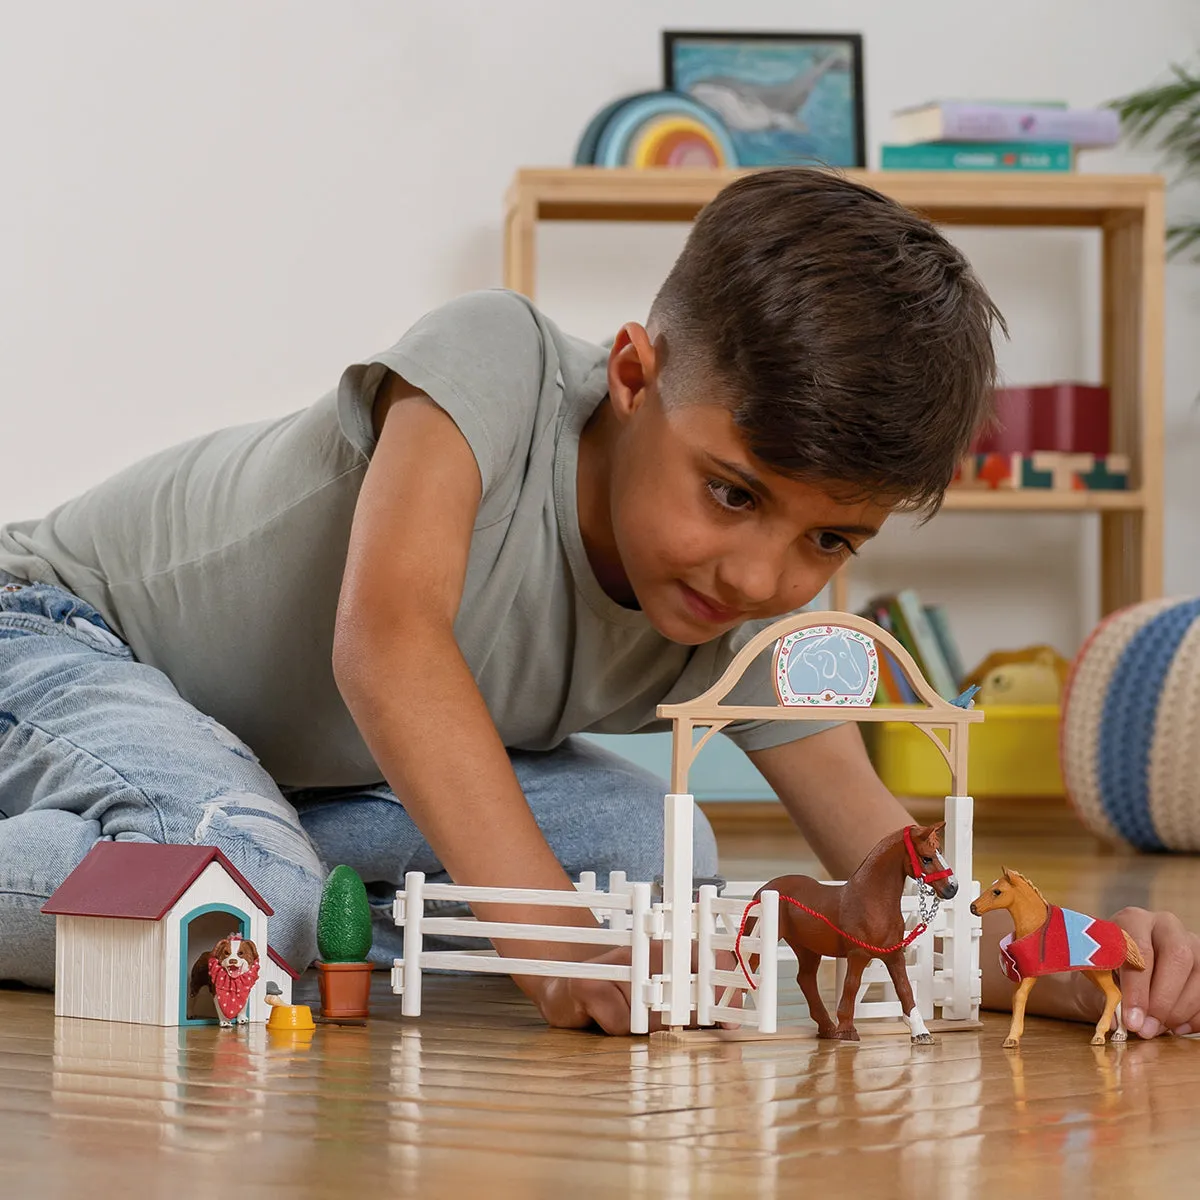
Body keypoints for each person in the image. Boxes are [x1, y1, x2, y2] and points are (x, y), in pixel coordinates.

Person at [0, 168, 1193, 1037]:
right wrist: (546, 937)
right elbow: (390, 642)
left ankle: (187, 870)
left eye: (829, 537)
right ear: (632, 375)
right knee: (278, 903)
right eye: (731, 494)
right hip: (59, 634)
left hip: (292, 772)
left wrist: (1071, 964)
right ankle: (241, 884)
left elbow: (890, 865)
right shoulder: (496, 363)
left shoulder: (750, 617)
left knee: (647, 858)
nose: (761, 576)